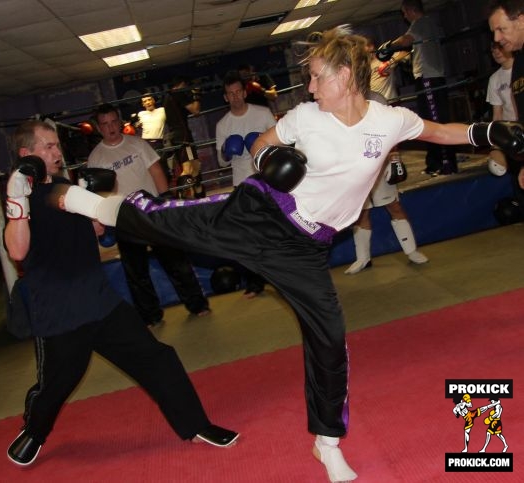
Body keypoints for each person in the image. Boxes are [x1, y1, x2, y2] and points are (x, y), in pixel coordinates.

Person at [55, 27, 524, 482]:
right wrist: (266, 164)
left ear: (345, 76)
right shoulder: (305, 116)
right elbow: (262, 144)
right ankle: (99, 206)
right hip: (265, 211)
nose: (312, 86)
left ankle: (326, 442)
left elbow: (441, 132)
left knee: (328, 337)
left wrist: (492, 131)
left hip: (307, 247)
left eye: (319, 76)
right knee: (181, 220)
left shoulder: (390, 121)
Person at [2, 120, 238, 467]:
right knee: (55, 386)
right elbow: (18, 251)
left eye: (57, 145)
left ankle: (196, 425)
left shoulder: (67, 186)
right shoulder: (24, 196)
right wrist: (16, 201)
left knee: (157, 357)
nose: (57, 152)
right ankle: (34, 431)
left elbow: (97, 232)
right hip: (59, 312)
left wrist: (94, 216)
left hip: (100, 301)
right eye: (48, 147)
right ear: (27, 154)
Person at [88, 103, 210, 327]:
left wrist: (163, 201)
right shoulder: (96, 158)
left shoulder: (136, 144)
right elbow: (98, 192)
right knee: (136, 272)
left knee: (174, 260)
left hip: (151, 210)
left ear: (120, 121)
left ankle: (197, 304)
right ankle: (151, 316)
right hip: (124, 217)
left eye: (114, 121)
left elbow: (156, 169)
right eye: (105, 124)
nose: (111, 127)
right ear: (98, 127)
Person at [345, 38, 428, 274]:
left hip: (379, 163)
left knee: (394, 205)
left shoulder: (377, 100)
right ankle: (363, 259)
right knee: (361, 213)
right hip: (356, 167)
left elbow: (390, 133)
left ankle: (411, 251)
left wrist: (394, 159)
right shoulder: (341, 104)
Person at [215, 70, 277, 297]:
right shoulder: (223, 125)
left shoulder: (262, 113)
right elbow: (222, 161)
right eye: (230, 94)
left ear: (244, 92)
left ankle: (283, 274)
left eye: (238, 92)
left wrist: (261, 146)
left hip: (269, 179)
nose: (235, 97)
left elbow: (280, 140)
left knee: (276, 228)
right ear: (225, 97)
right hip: (243, 184)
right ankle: (254, 283)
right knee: (248, 235)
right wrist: (227, 149)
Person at [380, 0, 458, 176]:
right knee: (429, 120)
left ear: (410, 10)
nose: (404, 16)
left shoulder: (421, 23)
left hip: (429, 77)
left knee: (436, 120)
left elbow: (406, 40)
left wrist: (389, 47)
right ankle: (435, 162)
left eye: (404, 12)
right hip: (427, 77)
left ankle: (446, 163)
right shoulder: (427, 25)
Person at [163, 76, 205, 196]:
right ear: (182, 84)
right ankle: (183, 197)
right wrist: (197, 95)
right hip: (183, 137)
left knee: (195, 166)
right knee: (188, 169)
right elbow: (196, 110)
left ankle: (199, 194)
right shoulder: (178, 94)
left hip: (177, 137)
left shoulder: (168, 97)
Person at [486, 41, 517, 176]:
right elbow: (497, 115)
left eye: (499, 47)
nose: (496, 52)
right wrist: (495, 145)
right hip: (511, 136)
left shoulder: (520, 69)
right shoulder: (494, 79)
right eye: (493, 50)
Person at [134, 93, 172, 181]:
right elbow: (134, 125)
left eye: (149, 99)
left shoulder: (162, 110)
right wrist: (135, 124)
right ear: (143, 104)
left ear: (153, 100)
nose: (147, 102)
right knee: (149, 170)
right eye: (145, 101)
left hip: (158, 143)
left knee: (163, 169)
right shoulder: (141, 114)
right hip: (146, 143)